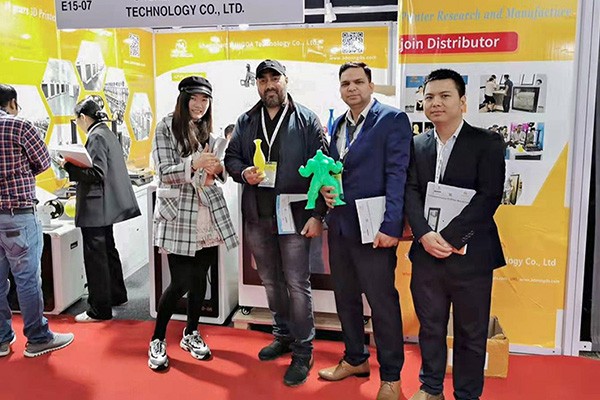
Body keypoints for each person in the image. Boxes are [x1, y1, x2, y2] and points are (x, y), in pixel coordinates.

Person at [404, 69, 506, 400]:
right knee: (430, 327)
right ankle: (431, 388)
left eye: (445, 96)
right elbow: (410, 191)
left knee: (471, 333)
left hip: (471, 255)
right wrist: (423, 234)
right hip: (426, 254)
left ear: (462, 101)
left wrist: (448, 237)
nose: (436, 103)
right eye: (429, 97)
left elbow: (489, 196)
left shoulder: (487, 143)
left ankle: (467, 394)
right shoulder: (416, 144)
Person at [224, 59, 327, 387]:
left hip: (294, 215)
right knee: (271, 281)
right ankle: (282, 335)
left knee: (296, 283)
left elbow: (324, 169)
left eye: (274, 78)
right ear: (257, 84)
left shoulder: (307, 120)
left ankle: (303, 351)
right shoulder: (246, 120)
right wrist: (244, 173)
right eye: (262, 80)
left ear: (285, 80)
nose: (269, 85)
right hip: (258, 214)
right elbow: (231, 158)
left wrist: (318, 214)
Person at [318, 62, 412, 400]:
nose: (352, 88)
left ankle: (392, 377)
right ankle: (355, 358)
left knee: (382, 302)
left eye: (358, 82)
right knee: (345, 298)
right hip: (341, 226)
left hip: (375, 229)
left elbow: (397, 175)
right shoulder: (339, 124)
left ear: (371, 85)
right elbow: (334, 170)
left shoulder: (392, 119)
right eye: (346, 83)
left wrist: (391, 226)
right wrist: (325, 191)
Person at [148, 76, 238, 371]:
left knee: (200, 279)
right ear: (183, 99)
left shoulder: (208, 133)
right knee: (180, 282)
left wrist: (217, 168)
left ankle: (191, 332)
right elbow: (164, 172)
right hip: (178, 216)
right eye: (194, 98)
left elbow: (216, 176)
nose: (199, 105)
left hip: (206, 214)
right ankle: (158, 338)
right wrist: (194, 164)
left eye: (205, 100)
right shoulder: (166, 127)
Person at [0, 83, 74, 357]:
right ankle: (38, 337)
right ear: (12, 103)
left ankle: (1, 339)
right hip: (17, 215)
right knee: (27, 279)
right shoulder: (19, 126)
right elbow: (43, 163)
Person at [62, 97, 141, 323]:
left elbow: (97, 173)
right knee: (108, 250)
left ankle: (99, 309)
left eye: (77, 120)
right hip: (106, 206)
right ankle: (117, 295)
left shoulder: (95, 136)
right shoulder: (106, 133)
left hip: (96, 207)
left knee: (95, 257)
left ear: (83, 117)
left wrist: (69, 166)